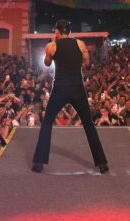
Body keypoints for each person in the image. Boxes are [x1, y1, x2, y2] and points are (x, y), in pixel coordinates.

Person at [31, 20, 108, 173]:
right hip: (77, 87)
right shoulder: (80, 44)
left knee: (47, 122)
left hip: (60, 87)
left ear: (58, 31)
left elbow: (47, 64)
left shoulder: (51, 46)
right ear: (69, 31)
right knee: (88, 124)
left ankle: (39, 162)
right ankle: (102, 163)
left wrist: (52, 45)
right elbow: (86, 63)